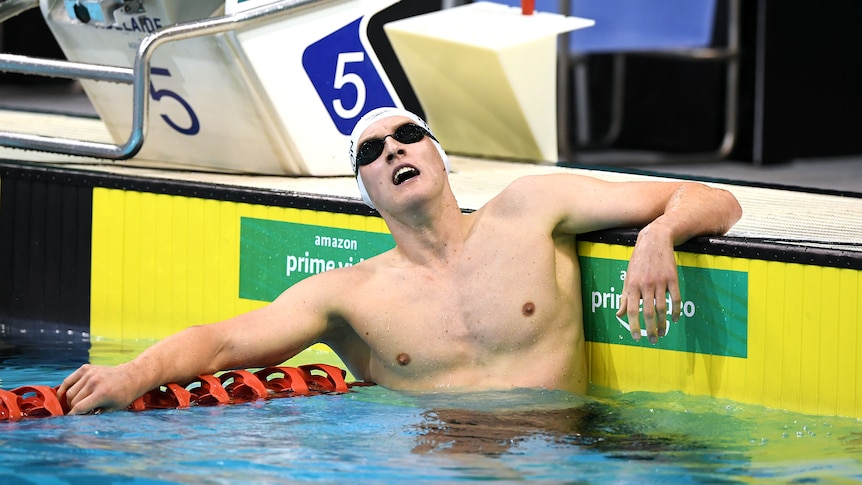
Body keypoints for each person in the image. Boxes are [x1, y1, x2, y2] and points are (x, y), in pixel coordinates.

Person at [58, 107, 742, 414]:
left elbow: (711, 198)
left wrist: (659, 236)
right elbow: (225, 341)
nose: (392, 150)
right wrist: (132, 372)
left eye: (407, 136)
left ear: (438, 154)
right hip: (434, 463)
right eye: (372, 152)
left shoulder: (533, 207)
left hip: (566, 455)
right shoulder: (351, 295)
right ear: (369, 193)